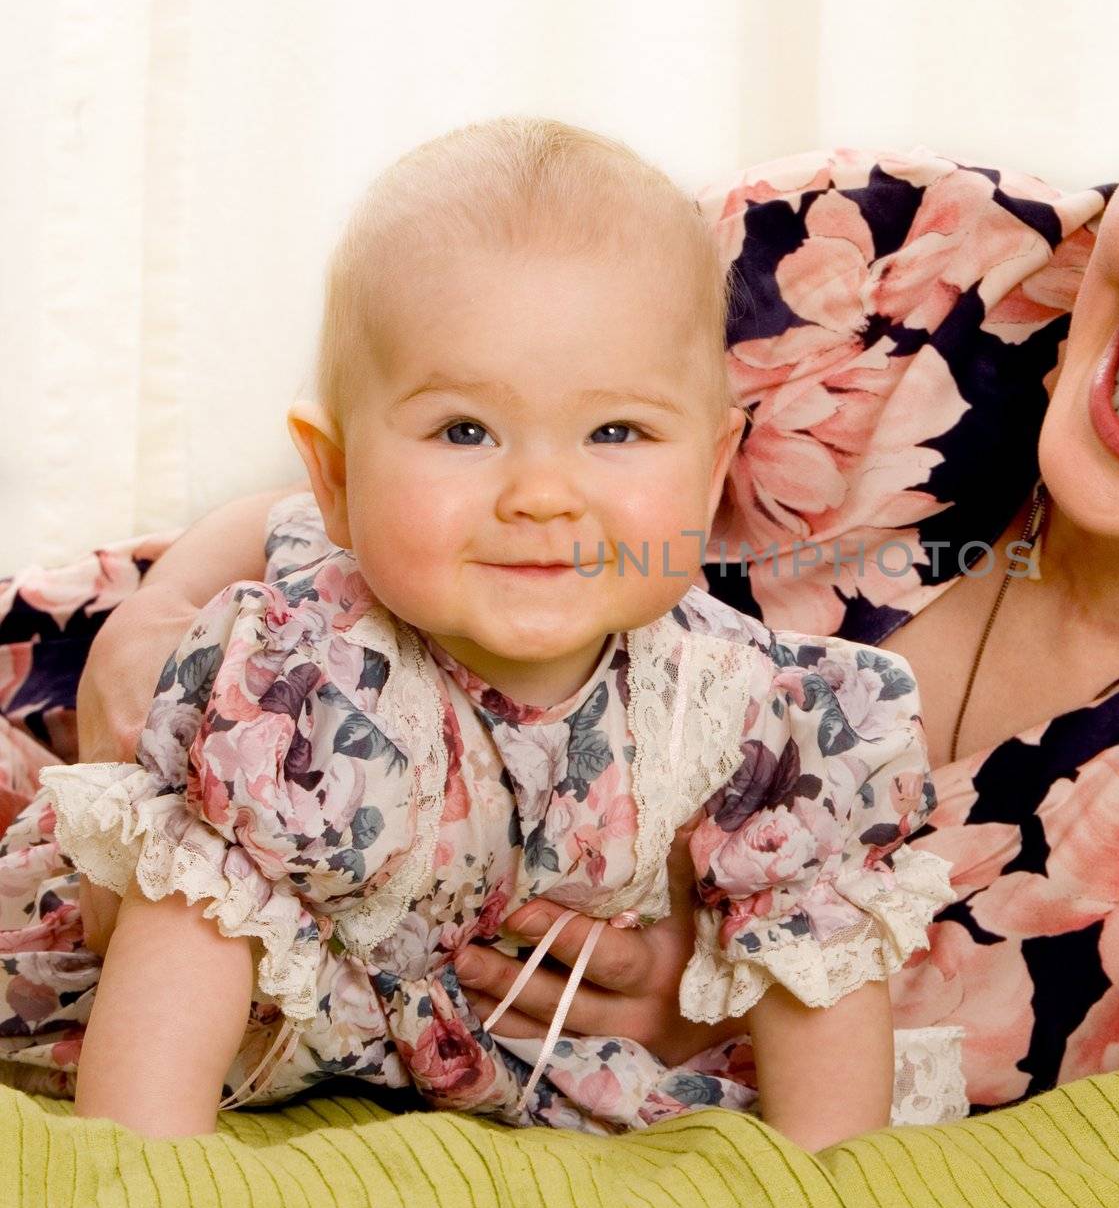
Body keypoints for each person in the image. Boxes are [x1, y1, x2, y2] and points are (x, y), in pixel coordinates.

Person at [5, 0, 1119, 1117]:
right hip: (146, 765)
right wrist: (153, 633)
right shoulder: (884, 262)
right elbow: (410, 463)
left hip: (423, 1047)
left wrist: (709, 1012)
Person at [0, 118, 961, 1149]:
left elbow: (815, 965)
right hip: (229, 1019)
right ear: (334, 475)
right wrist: (143, 1169)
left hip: (507, 1049)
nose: (543, 494)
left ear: (712, 465)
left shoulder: (755, 705)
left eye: (617, 432)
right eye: (466, 431)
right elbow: (181, 942)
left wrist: (828, 1182)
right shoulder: (298, 676)